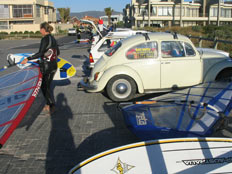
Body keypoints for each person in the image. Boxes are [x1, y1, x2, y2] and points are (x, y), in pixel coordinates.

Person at [21, 22, 60, 114]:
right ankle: (48, 104)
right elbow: (57, 52)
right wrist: (46, 57)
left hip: (47, 66)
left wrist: (28, 59)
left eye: (40, 29)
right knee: (47, 86)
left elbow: (40, 53)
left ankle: (52, 106)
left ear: (43, 29)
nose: (39, 31)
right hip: (54, 65)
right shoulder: (53, 38)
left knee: (43, 86)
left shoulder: (45, 39)